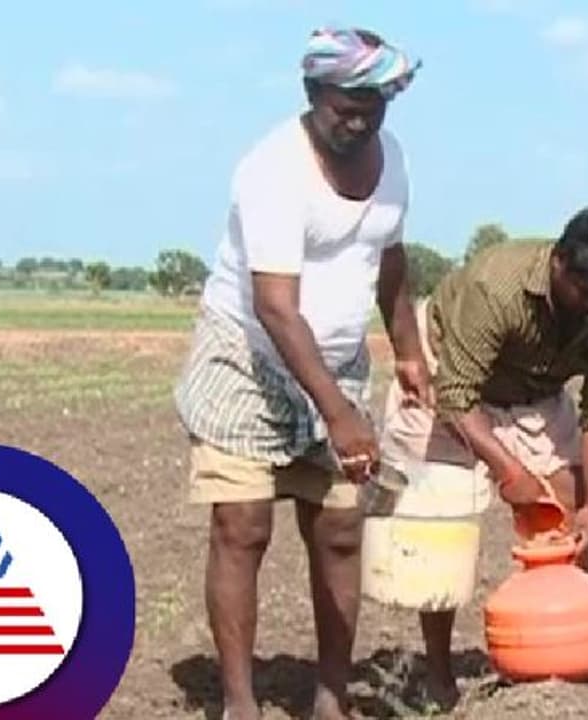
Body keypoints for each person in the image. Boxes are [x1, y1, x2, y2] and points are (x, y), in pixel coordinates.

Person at [173, 27, 430, 720]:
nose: (361, 122)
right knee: (243, 525)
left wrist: (408, 351)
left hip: (338, 362)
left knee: (341, 529)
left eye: (374, 107)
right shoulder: (273, 171)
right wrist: (339, 416)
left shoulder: (393, 160)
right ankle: (240, 703)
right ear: (313, 93)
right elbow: (276, 308)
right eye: (346, 107)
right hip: (248, 361)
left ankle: (330, 698)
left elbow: (391, 259)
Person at [378, 202, 588, 707]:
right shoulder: (496, 286)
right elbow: (456, 395)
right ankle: (439, 675)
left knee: (568, 509)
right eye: (585, 293)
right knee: (445, 522)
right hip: (446, 375)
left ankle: (579, 654)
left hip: (534, 388)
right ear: (559, 262)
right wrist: (511, 473)